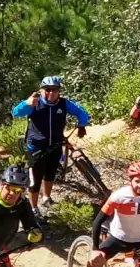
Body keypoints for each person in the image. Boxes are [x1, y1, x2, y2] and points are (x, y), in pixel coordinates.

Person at [13, 76, 91, 207]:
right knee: (35, 181)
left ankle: (46, 198)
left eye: (54, 90)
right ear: (42, 90)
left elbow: (81, 112)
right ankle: (33, 208)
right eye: (47, 89)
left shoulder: (63, 103)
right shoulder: (35, 103)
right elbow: (16, 112)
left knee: (50, 174)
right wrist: (27, 103)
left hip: (55, 145)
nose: (51, 92)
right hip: (36, 148)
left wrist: (82, 124)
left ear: (59, 91)